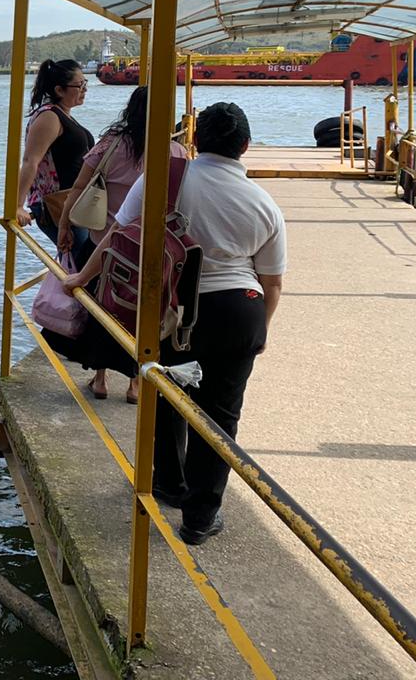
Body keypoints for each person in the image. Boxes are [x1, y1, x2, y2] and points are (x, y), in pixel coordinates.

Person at [65, 102, 285, 545]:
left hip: (175, 309)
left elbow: (115, 235)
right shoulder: (264, 203)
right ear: (245, 146)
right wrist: (261, 329)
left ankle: (167, 483)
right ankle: (200, 518)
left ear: (196, 140)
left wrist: (80, 279)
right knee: (221, 413)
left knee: (168, 392)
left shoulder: (164, 177)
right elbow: (272, 280)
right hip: (239, 309)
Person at [57, 86, 188, 402]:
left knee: (103, 311)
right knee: (142, 315)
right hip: (150, 248)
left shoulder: (110, 144)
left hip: (106, 245)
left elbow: (79, 186)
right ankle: (135, 385)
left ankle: (100, 380)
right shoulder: (175, 152)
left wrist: (64, 224)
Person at [14, 59, 94, 264]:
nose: (84, 90)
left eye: (85, 83)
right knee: (80, 262)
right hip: (57, 205)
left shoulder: (64, 115)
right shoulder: (49, 117)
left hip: (74, 203)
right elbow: (31, 160)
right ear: (59, 90)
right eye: (79, 86)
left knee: (81, 263)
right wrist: (17, 206)